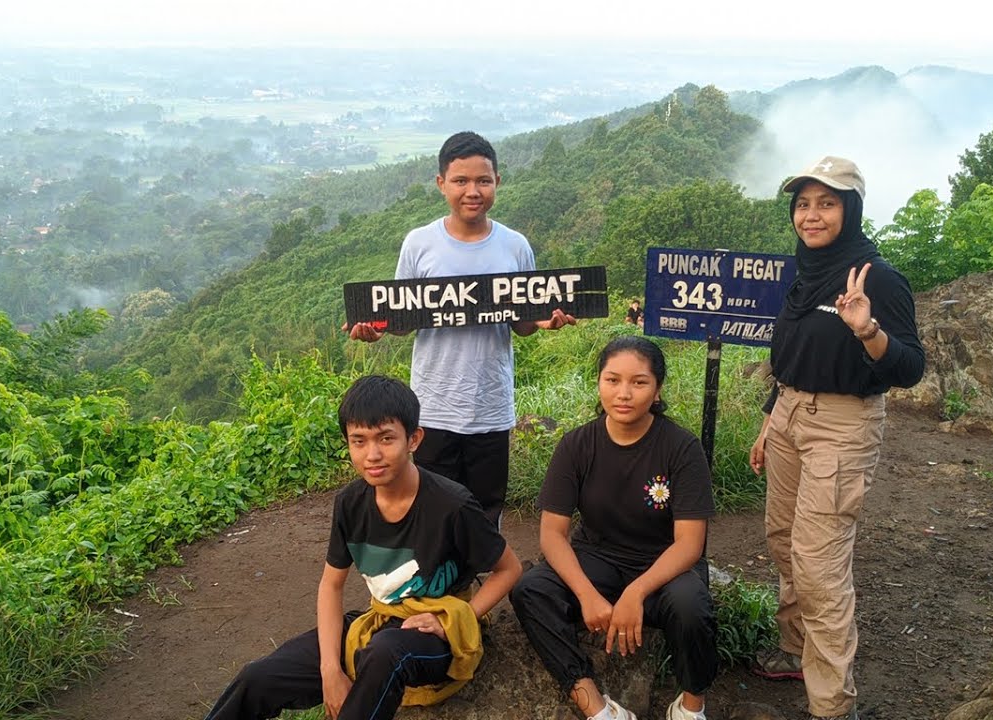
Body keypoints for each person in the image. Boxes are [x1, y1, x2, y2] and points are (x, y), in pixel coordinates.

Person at [203, 375, 522, 720]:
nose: (373, 455)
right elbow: (331, 585)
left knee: (386, 652)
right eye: (359, 441)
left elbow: (509, 568)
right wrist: (330, 670)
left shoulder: (452, 504)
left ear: (413, 439)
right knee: (259, 677)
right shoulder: (350, 503)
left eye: (386, 438)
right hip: (379, 621)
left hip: (435, 632)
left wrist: (454, 621)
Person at [748, 157, 925, 720]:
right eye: (803, 204)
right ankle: (796, 648)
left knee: (819, 567)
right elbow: (795, 355)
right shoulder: (807, 272)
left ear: (850, 210)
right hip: (789, 413)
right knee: (782, 539)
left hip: (843, 424)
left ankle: (831, 705)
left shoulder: (878, 278)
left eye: (826, 203)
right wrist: (772, 419)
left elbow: (910, 368)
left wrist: (867, 330)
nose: (812, 215)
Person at [348, 130, 574, 526]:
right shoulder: (419, 244)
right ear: (441, 184)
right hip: (433, 405)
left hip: (490, 404)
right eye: (460, 181)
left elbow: (522, 324)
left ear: (497, 182)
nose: (473, 191)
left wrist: (542, 321)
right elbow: (404, 318)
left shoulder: (515, 246)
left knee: (485, 509)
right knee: (433, 508)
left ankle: (485, 565)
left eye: (483, 180)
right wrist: (377, 328)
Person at [510, 336, 718, 720]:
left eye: (639, 382)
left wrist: (635, 593)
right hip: (597, 560)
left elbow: (690, 544)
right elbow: (552, 534)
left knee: (692, 607)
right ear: (599, 383)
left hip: (664, 567)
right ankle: (598, 708)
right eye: (612, 380)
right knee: (530, 590)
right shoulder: (576, 445)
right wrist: (587, 595)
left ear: (657, 390)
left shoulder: (681, 448)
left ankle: (691, 707)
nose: (624, 393)